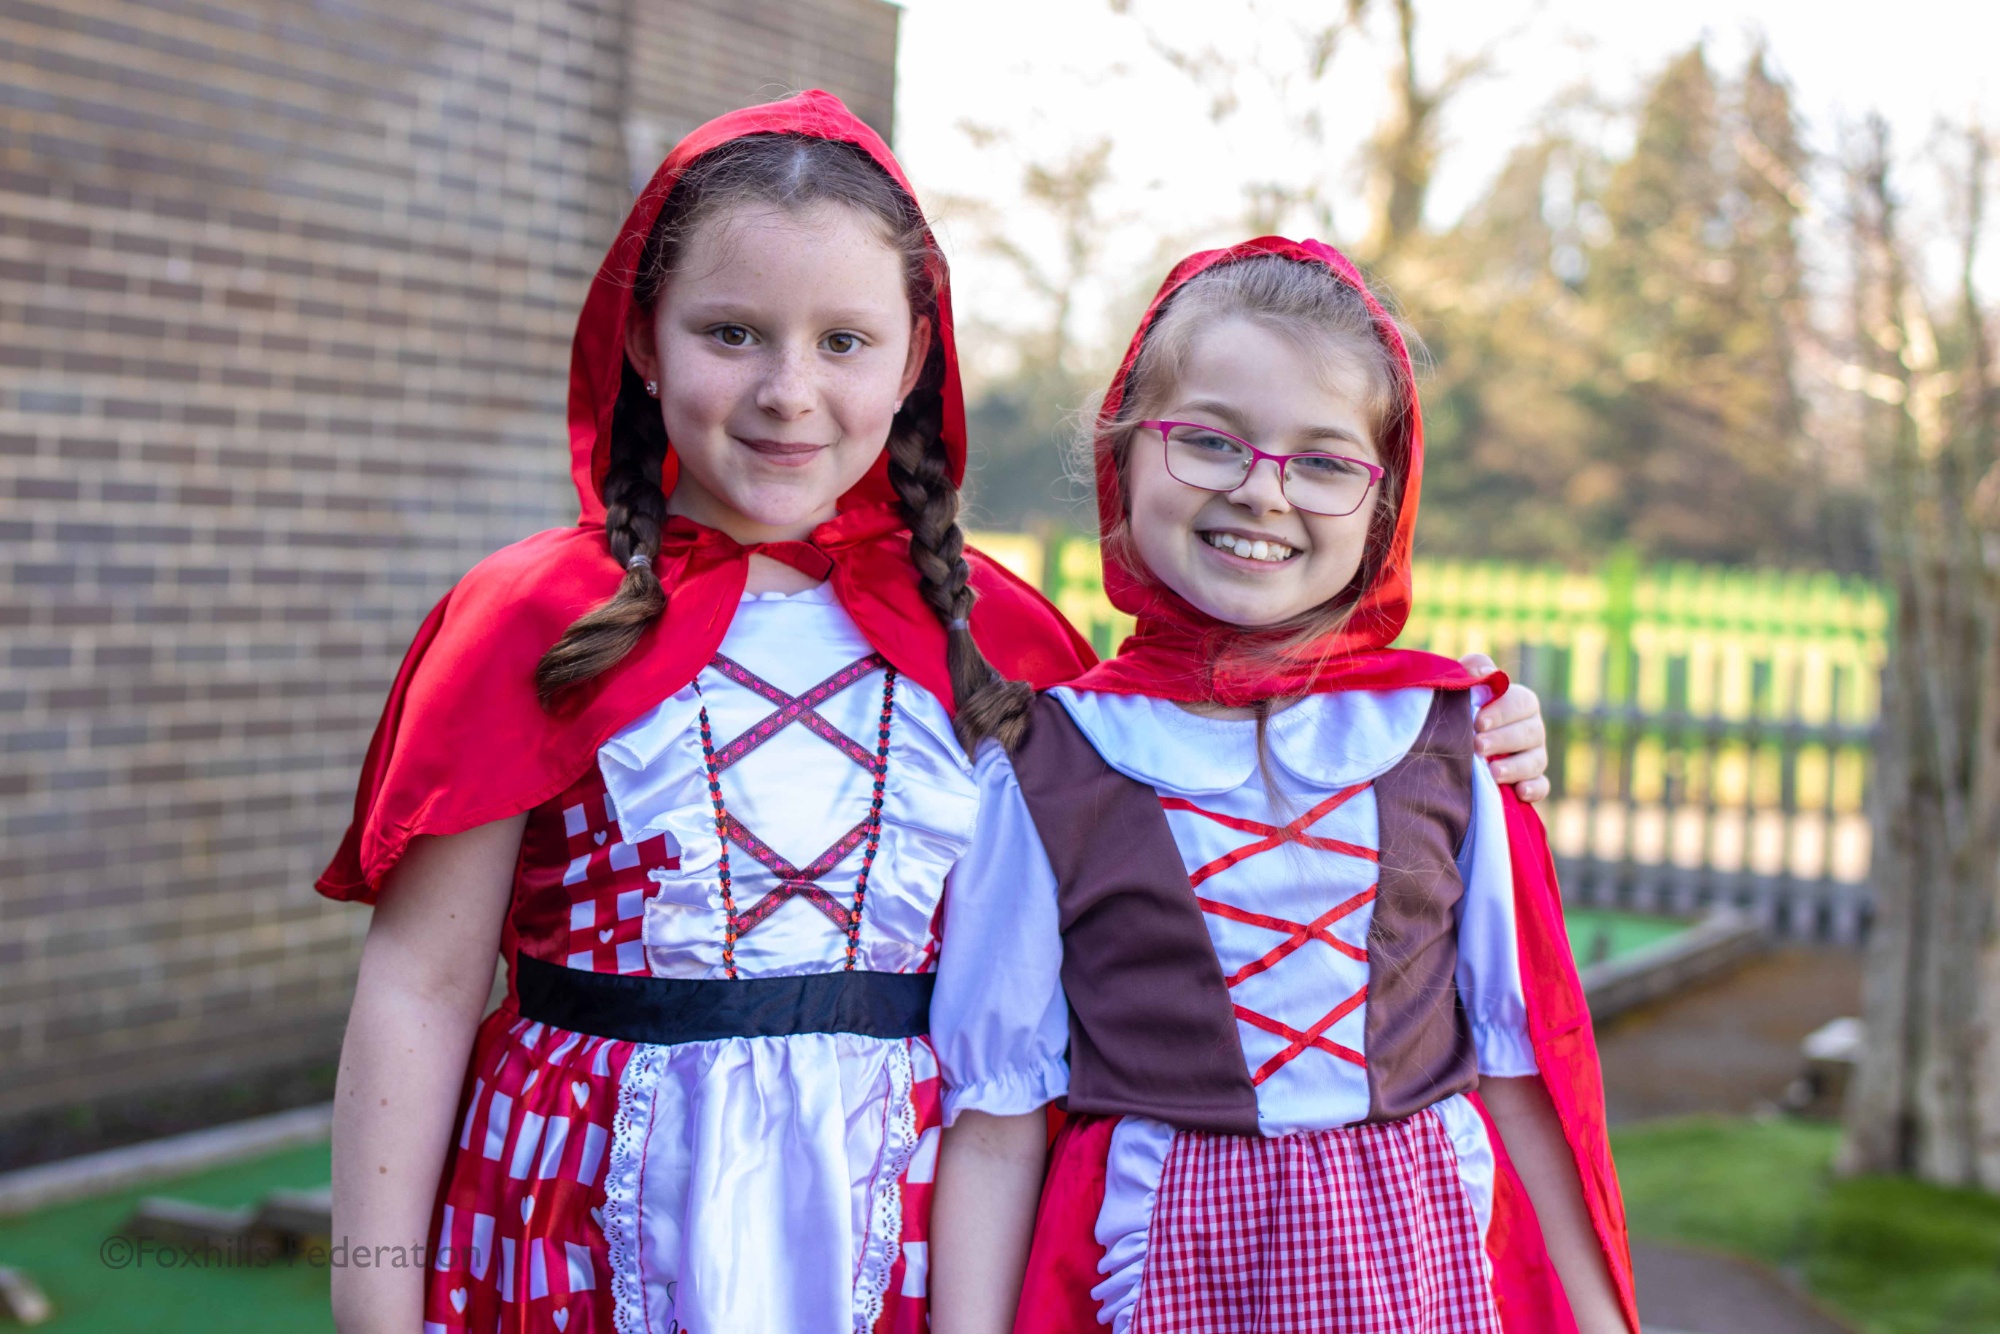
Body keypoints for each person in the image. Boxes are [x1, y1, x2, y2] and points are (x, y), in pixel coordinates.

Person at [322, 93, 1554, 1332]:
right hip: (576, 1214)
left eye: (844, 342)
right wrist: (371, 1303)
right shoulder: (527, 619)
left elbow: (1222, 778)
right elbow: (421, 986)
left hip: (915, 1232)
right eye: (732, 332)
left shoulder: (1004, 643)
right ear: (643, 337)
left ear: (916, 356)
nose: (787, 392)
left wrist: (1478, 730)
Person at [927, 238, 1636, 1334]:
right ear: (1123, 453)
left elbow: (1519, 1062)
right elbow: (995, 1116)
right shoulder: (1049, 759)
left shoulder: (1446, 736)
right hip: (1152, 1263)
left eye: (1322, 460)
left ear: (1379, 500)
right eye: (1208, 440)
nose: (1260, 490)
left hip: (1414, 1262)